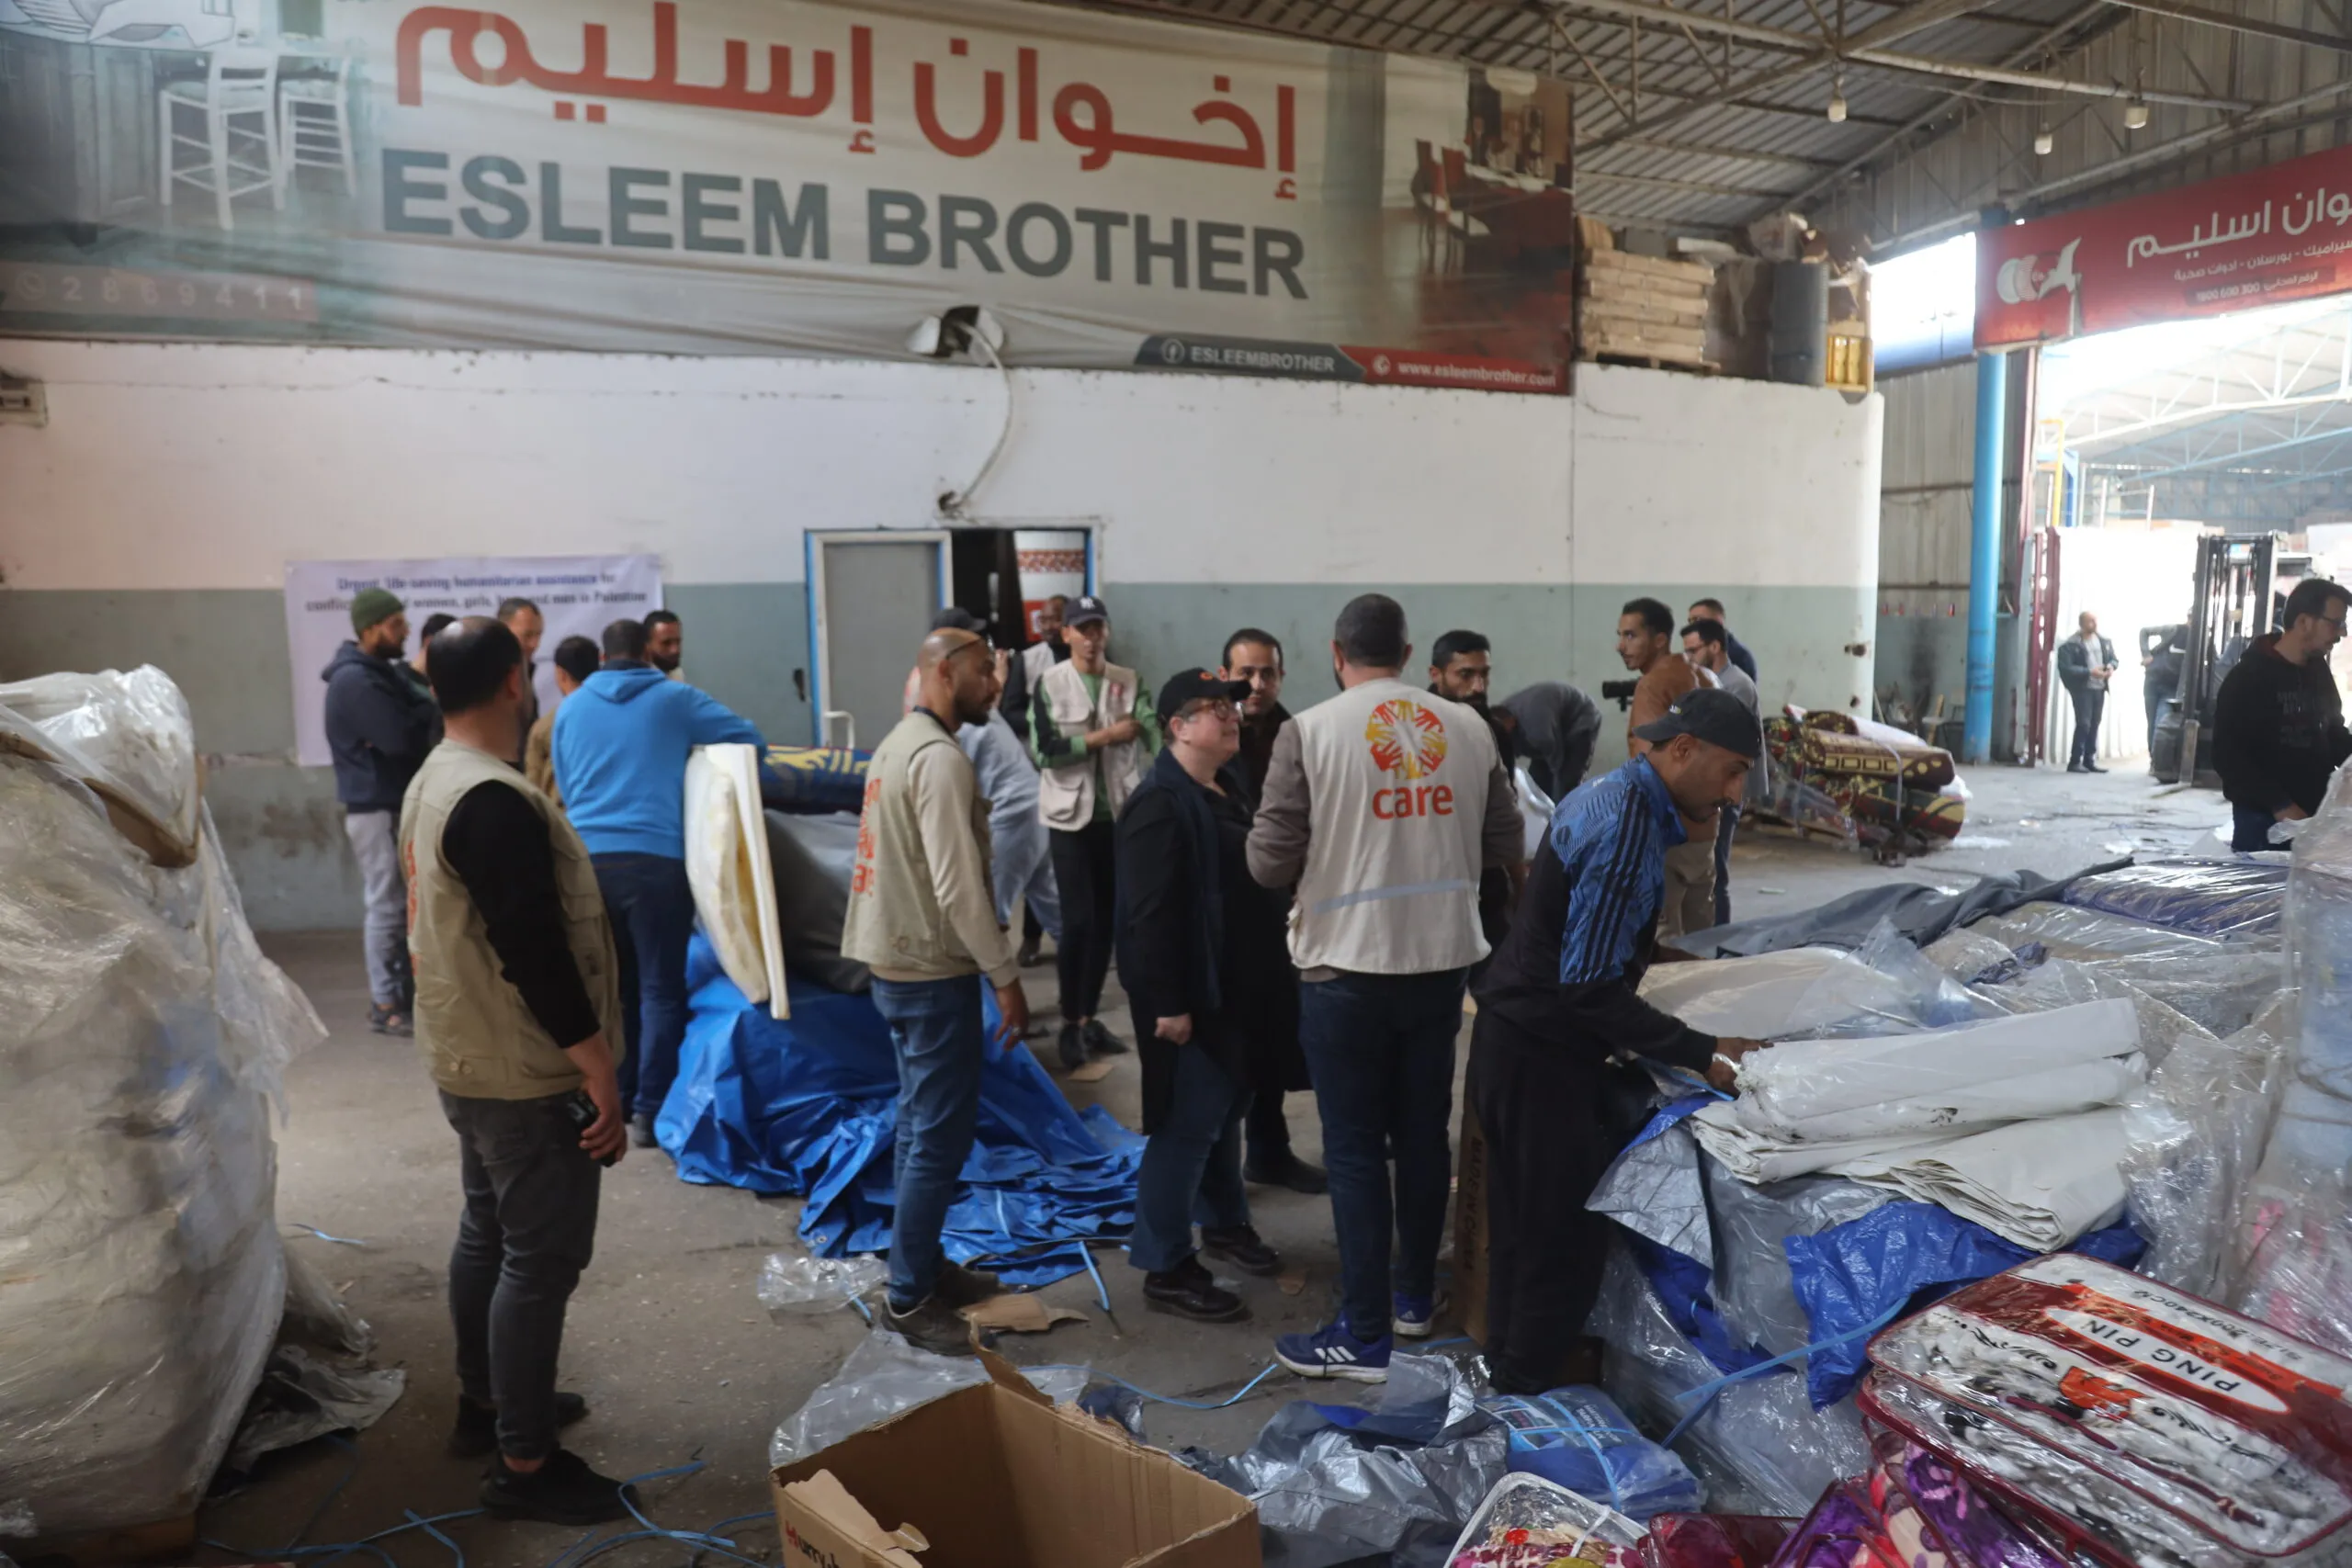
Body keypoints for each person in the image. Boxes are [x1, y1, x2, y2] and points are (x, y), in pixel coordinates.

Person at [398, 616, 636, 1524]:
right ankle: (526, 1465)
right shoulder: (492, 800)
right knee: (538, 1261)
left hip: (467, 1058)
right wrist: (599, 1069)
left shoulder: (436, 779)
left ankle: (490, 1404)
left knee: (489, 1234)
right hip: (521, 1074)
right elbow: (535, 954)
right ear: (511, 682)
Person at [1250, 593, 1521, 1382]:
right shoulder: (1468, 727)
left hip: (1344, 971)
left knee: (1358, 1151)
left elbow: (1268, 862)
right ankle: (1410, 1299)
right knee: (1421, 1133)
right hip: (1440, 967)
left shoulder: (1311, 730)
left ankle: (1364, 1335)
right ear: (1406, 653)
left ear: (1338, 652)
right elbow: (1506, 840)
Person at [1468, 689, 1769, 1394]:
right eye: (1730, 771)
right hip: (1541, 1056)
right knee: (1560, 1249)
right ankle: (1527, 1406)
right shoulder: (1626, 826)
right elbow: (1589, 990)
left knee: (1521, 1233)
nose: (1735, 793)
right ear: (1683, 750)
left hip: (1513, 1038)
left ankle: (1506, 1377)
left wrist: (1682, 966)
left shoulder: (1615, 793)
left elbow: (1595, 937)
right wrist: (1708, 1051)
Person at [842, 626, 1031, 1356]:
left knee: (921, 1126)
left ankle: (917, 1265)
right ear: (946, 672)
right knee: (936, 1137)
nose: (995, 685)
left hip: (896, 965)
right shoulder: (940, 761)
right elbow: (958, 888)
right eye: (986, 671)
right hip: (931, 973)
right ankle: (910, 1297)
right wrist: (1006, 976)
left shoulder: (896, 746)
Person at [551, 617, 763, 1145]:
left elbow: (564, 782)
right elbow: (749, 739)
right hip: (656, 864)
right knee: (661, 989)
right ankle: (652, 1111)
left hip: (589, 867)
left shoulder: (570, 709)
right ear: (648, 652)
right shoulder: (676, 699)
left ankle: (615, 1100)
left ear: (602, 660)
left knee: (614, 990)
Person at [1115, 668, 1285, 1323]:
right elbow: (1148, 917)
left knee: (1226, 1108)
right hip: (1187, 996)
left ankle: (1223, 1222)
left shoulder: (1225, 785)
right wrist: (1168, 1004)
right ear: (1176, 726)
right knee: (1185, 1125)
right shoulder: (1158, 804)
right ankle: (1164, 1262)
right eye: (1213, 708)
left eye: (1232, 705)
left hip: (1235, 986)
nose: (1230, 716)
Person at [1030, 594, 1158, 1070]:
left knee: (1107, 924)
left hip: (1118, 817)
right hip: (1069, 819)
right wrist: (1103, 737)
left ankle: (1088, 1020)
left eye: (1097, 627)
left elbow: (1149, 727)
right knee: (1079, 922)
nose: (1090, 637)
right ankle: (1069, 1019)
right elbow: (1045, 751)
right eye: (1081, 628)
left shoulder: (1128, 682)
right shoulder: (1050, 683)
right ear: (1065, 635)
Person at [1218, 628, 1323, 1197]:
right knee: (1234, 1042)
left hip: (1284, 905)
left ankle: (1269, 1149)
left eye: (1268, 674)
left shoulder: (1297, 733)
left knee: (1277, 1033)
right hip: (1230, 910)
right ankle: (1225, 1171)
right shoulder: (1210, 732)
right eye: (1246, 673)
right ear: (1225, 672)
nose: (1256, 685)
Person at [324, 586, 441, 1037]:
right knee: (387, 906)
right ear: (370, 629)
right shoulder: (355, 682)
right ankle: (385, 1001)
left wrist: (416, 717)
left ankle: (399, 993)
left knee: (399, 904)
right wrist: (416, 721)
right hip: (375, 807)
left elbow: (417, 713)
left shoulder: (381, 674)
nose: (405, 630)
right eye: (395, 624)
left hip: (390, 800)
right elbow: (400, 739)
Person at [2213, 578, 2352, 851]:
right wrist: (2280, 804)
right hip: (2263, 822)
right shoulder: (2248, 677)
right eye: (2335, 624)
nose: (2341, 634)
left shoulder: (2318, 672)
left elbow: (2333, 733)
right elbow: (2228, 757)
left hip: (2313, 815)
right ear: (2303, 622)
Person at [1621, 599, 1707, 940]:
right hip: (1705, 832)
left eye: (1630, 635)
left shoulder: (1654, 684)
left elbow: (1650, 767)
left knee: (1660, 945)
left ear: (1659, 639)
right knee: (1702, 940)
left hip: (1667, 834)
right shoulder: (1705, 675)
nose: (1620, 645)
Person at [1430, 629, 1518, 960]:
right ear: (1435, 675)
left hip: (1486, 879)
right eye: (1465, 675)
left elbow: (1507, 811)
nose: (1478, 687)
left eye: (1484, 674)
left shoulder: (1493, 731)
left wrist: (1518, 882)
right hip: (1430, 880)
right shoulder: (1415, 730)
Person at [1682, 617, 1769, 927]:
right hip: (1714, 787)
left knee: (1716, 870)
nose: (1688, 659)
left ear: (1715, 646)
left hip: (1727, 789)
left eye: (1693, 651)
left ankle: (1719, 940)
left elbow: (1724, 743)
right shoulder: (1711, 681)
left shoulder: (1736, 685)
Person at [1496, 682, 1604, 804]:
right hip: (1553, 723)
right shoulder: (1499, 719)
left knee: (1566, 785)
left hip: (1581, 720)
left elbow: (1557, 764)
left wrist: (1559, 797)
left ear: (1512, 724)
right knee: (1536, 784)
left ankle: (1567, 819)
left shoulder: (1538, 731)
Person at [526, 635, 601, 807]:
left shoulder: (546, 727)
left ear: (561, 673)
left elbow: (533, 789)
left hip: (564, 823)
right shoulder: (618, 716)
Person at [1000, 593, 1069, 745]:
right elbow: (1010, 714)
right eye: (1043, 620)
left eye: (1055, 619)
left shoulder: (1086, 657)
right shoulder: (1026, 659)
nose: (1048, 627)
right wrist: (1047, 723)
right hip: (1036, 751)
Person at [2057, 612, 2119, 774]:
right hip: (2083, 689)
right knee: (2084, 723)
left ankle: (2089, 760)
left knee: (2094, 723)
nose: (2094, 624)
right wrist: (2090, 672)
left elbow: (2114, 659)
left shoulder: (2104, 642)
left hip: (2099, 688)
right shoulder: (2071, 645)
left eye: (2095, 620)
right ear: (2082, 624)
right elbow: (2066, 668)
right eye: (2091, 621)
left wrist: (2111, 667)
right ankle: (2075, 761)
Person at [499, 598, 547, 765]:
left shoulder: (524, 672)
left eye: (538, 635)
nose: (535, 644)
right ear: (504, 631)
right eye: (527, 635)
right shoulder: (488, 680)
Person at [1688, 597, 1758, 685]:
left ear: (1719, 620)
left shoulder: (1739, 656)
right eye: (1690, 621)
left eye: (1698, 619)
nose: (1692, 626)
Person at [642, 609, 684, 681]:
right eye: (666, 643)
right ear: (647, 644)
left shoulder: (676, 673)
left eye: (677, 642)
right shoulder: (638, 679)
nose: (675, 650)